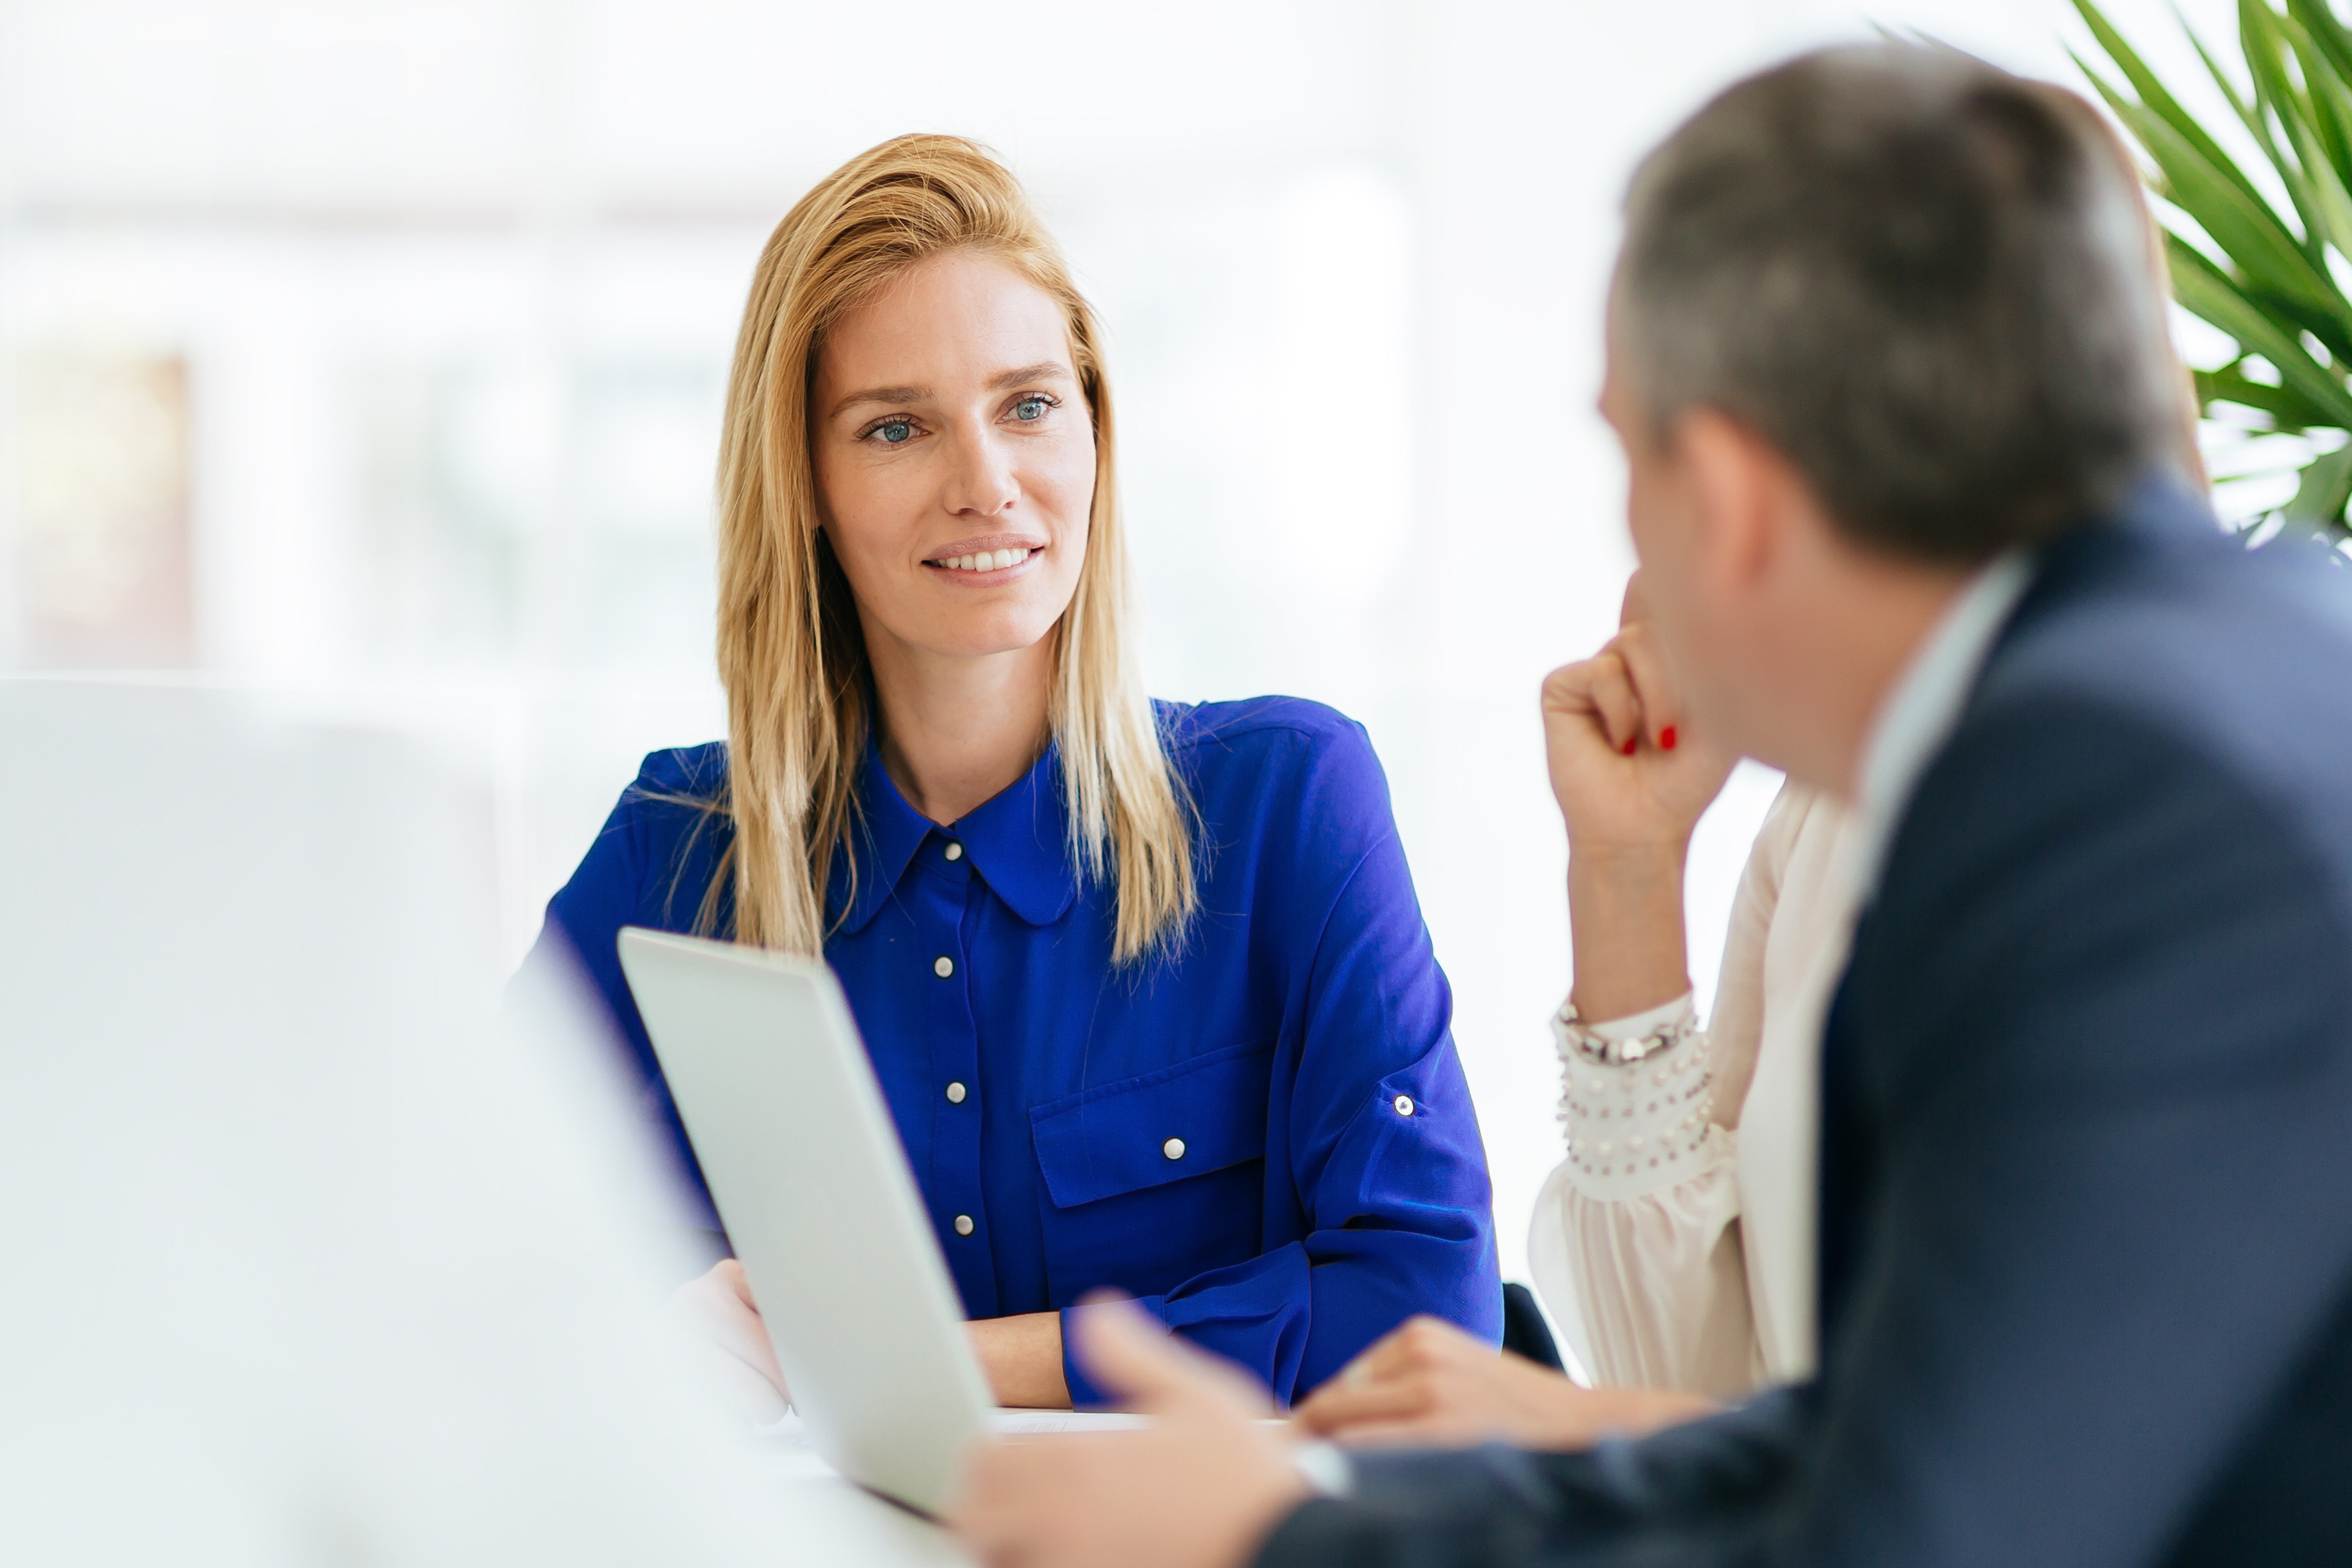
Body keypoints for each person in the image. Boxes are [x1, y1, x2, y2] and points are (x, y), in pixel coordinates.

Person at [950, 43, 2352, 1567]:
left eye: (1626, 457)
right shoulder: (2233, 664)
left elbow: (1902, 1539)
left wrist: (1279, 1545)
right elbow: (1880, 1434)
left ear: (1731, 497)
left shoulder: (2095, 790)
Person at [522, 134, 1501, 1413]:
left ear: (1095, 427)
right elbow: (461, 1257)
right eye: (896, 427)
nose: (985, 484)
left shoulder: (1288, 805)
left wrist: (909, 1374)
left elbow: (1428, 1306)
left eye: (1029, 404)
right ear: (805, 482)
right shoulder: (676, 850)